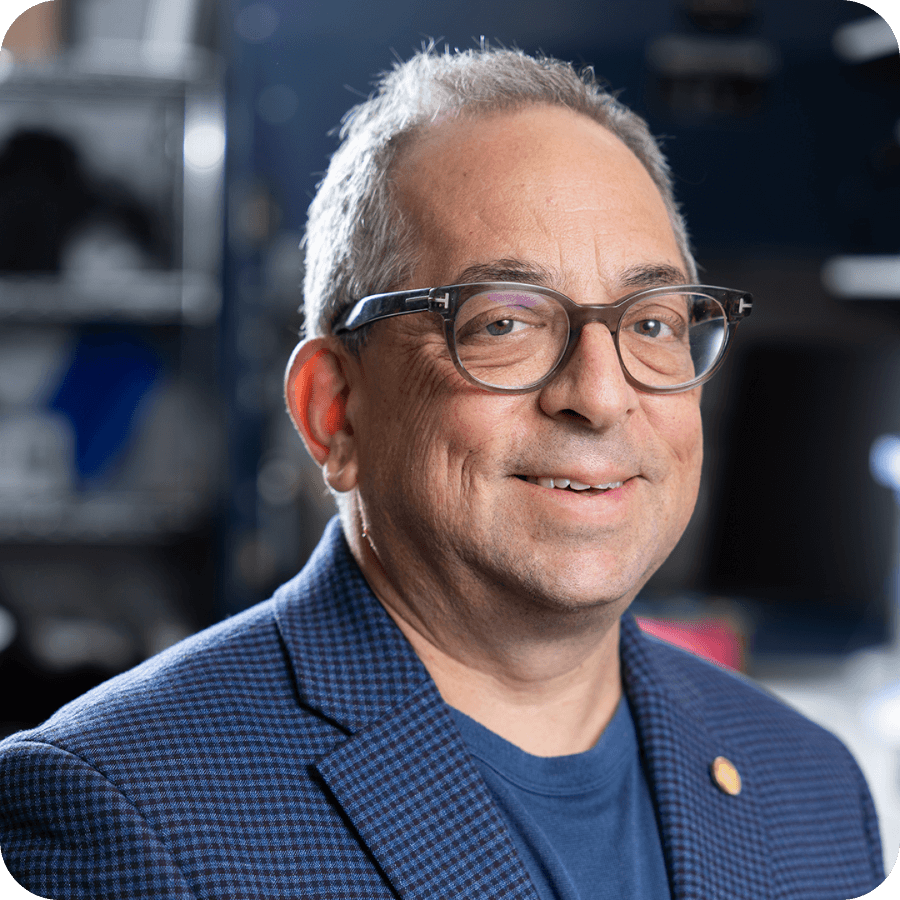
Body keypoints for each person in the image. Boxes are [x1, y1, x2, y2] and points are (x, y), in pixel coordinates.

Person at [0, 47, 886, 899]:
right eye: (503, 323)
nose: (602, 397)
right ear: (332, 410)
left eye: (651, 323)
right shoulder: (116, 812)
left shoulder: (812, 786)